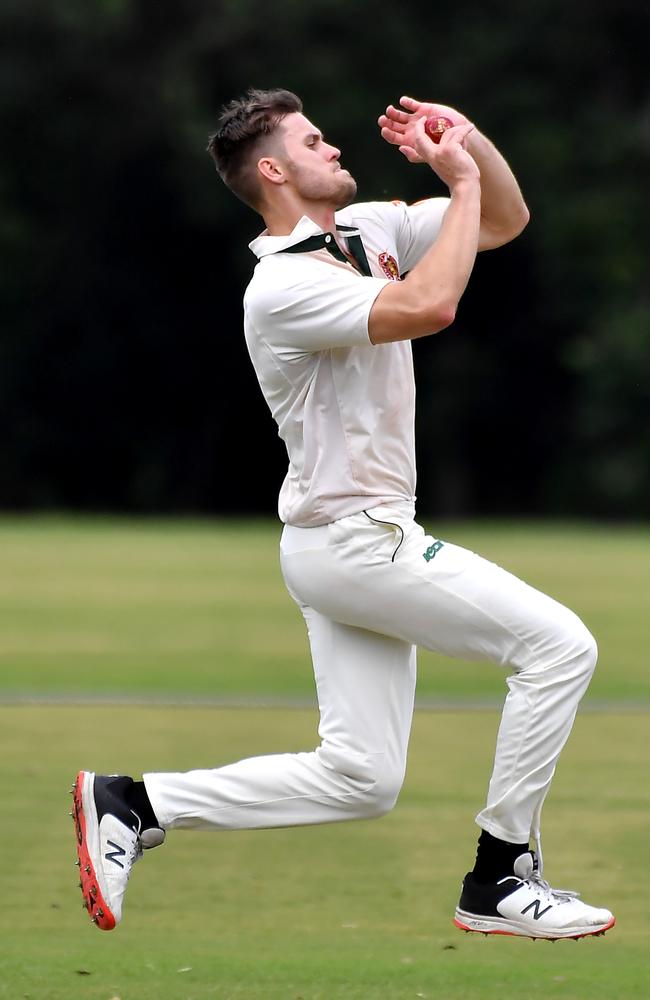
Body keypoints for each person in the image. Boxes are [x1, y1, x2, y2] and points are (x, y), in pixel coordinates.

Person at [71, 88, 615, 941]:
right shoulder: (280, 287)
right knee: (559, 647)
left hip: (342, 543)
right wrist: (458, 183)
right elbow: (430, 308)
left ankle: (135, 802)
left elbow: (505, 221)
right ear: (276, 170)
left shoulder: (370, 228)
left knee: (361, 778)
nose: (335, 146)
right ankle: (502, 876)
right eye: (314, 139)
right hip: (359, 542)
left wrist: (467, 145)